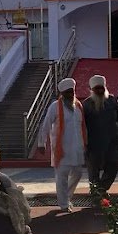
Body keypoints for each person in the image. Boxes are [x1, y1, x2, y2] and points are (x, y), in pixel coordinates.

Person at [38, 77, 86, 211]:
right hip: (61, 149)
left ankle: (67, 197)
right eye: (67, 92)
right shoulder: (55, 107)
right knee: (62, 177)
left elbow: (83, 127)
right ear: (62, 94)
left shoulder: (78, 107)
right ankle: (64, 204)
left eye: (72, 91)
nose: (71, 94)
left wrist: (84, 144)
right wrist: (42, 143)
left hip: (76, 148)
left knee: (78, 174)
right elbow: (46, 124)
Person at [81, 74, 118, 197]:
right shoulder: (86, 104)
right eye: (97, 89)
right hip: (93, 144)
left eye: (102, 88)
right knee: (93, 170)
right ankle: (95, 193)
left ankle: (101, 189)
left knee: (113, 166)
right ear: (92, 90)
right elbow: (81, 125)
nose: (100, 91)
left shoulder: (112, 100)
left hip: (112, 142)